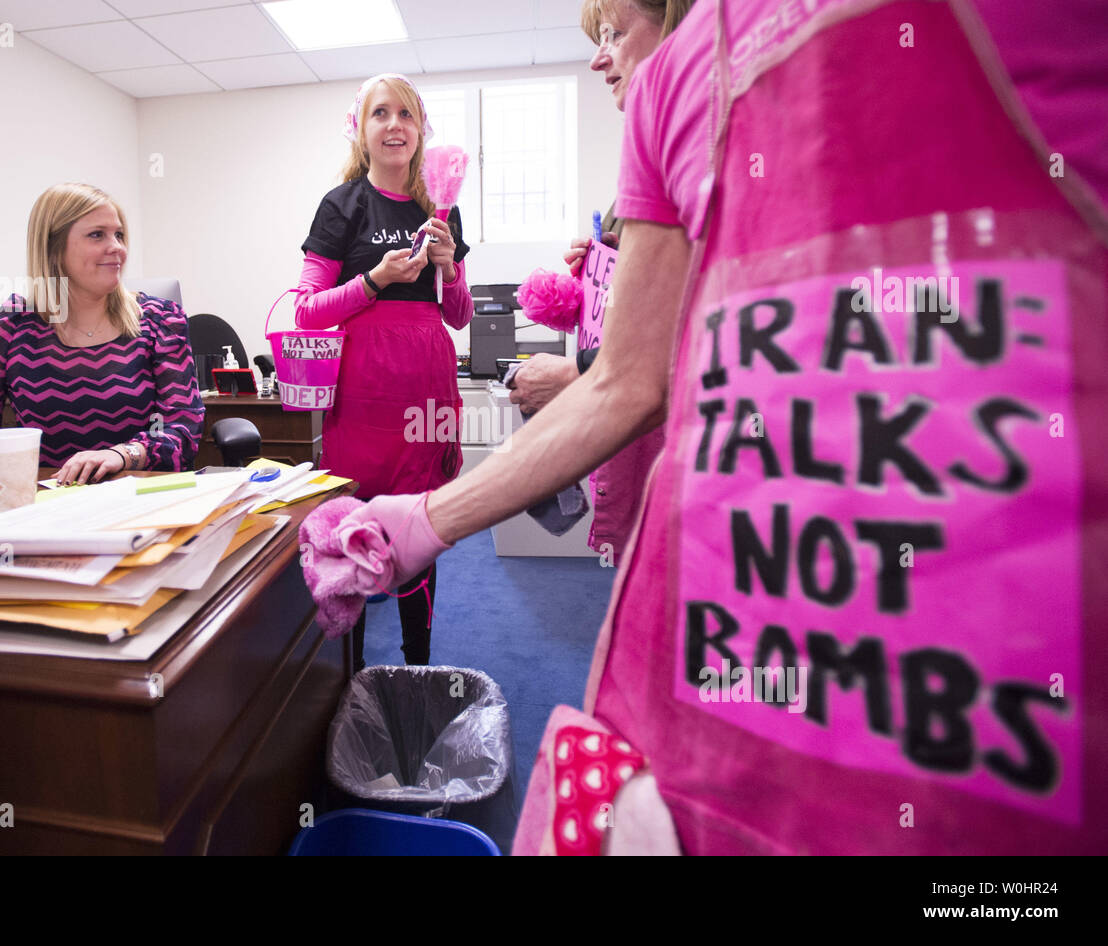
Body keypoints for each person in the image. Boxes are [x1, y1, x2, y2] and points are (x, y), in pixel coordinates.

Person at [306, 0, 1108, 854]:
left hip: (995, 622)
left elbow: (580, 356)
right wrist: (429, 518)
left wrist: (447, 284)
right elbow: (626, 376)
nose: (602, 58)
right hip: (713, 588)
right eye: (598, 35)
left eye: (617, 31)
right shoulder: (665, 95)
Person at [294, 73, 475, 671]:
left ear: (421, 130)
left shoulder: (438, 206)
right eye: (380, 114)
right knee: (359, 526)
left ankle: (416, 668)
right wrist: (374, 281)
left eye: (406, 114)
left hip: (427, 390)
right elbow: (306, 310)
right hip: (364, 395)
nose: (394, 125)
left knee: (419, 535)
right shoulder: (341, 205)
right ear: (361, 128)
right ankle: (348, 673)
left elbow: (457, 315)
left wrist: (450, 267)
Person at [507, 0, 692, 556]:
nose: (598, 60)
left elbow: (696, 338)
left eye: (612, 34)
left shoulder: (705, 151)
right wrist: (599, 274)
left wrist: (576, 374)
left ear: (679, 22)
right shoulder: (647, 162)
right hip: (637, 453)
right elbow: (640, 312)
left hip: (682, 472)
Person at [0, 182, 204, 485]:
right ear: (53, 249)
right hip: (53, 502)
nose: (117, 247)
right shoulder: (11, 325)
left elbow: (182, 426)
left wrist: (124, 453)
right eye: (96, 235)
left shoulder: (160, 320)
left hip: (144, 497)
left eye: (119, 235)